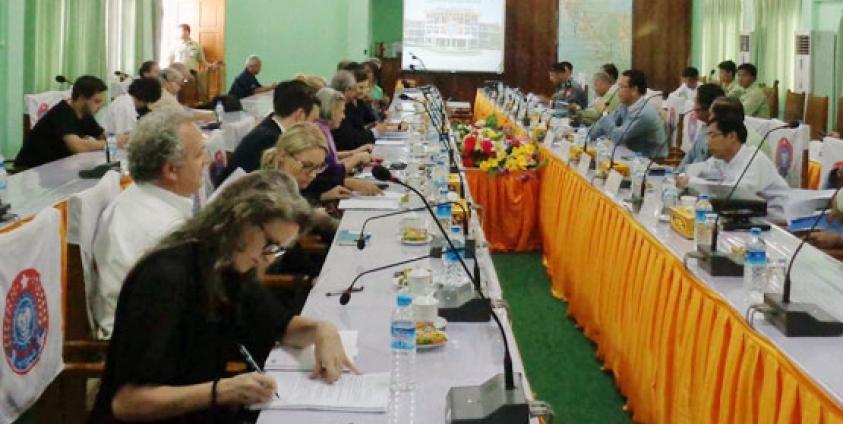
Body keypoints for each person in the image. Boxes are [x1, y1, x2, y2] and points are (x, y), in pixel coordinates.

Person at [89, 170, 357, 423]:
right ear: (241, 220)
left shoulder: (233, 268)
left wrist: (323, 329)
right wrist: (223, 390)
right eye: (270, 246)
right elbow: (126, 403)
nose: (268, 260)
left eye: (278, 251)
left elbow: (281, 326)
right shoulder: (165, 278)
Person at [92, 108, 209, 340]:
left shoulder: (146, 201)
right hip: (150, 350)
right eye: (199, 154)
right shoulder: (162, 229)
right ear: (171, 170)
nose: (206, 161)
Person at [676, 101, 790, 222]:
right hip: (746, 217)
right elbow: (699, 171)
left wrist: (691, 182)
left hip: (778, 223)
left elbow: (735, 193)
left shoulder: (754, 160)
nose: (707, 142)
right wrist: (684, 177)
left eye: (712, 135)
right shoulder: (722, 157)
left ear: (732, 136)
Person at [220, 80, 317, 184]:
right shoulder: (271, 140)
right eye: (313, 121)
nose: (313, 126)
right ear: (300, 115)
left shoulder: (269, 128)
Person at [16, 76, 109, 168]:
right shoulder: (62, 112)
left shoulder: (85, 114)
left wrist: (118, 139)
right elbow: (78, 147)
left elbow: (106, 137)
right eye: (97, 101)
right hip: (30, 170)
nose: (100, 106)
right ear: (81, 98)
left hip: (57, 167)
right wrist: (109, 144)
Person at [313, 87, 382, 195]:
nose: (344, 116)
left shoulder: (325, 128)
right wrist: (357, 158)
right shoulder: (318, 132)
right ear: (329, 111)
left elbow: (332, 158)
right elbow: (333, 172)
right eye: (341, 112)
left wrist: (354, 153)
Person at [591, 69, 667, 157]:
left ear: (634, 90)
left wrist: (604, 113)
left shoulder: (643, 113)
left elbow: (618, 138)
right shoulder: (625, 106)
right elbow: (604, 126)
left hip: (650, 163)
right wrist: (587, 136)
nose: (617, 91)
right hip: (630, 155)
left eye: (622, 87)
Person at [330, 70, 385, 151]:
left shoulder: (350, 104)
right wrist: (374, 132)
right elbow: (348, 141)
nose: (356, 91)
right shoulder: (338, 107)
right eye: (355, 88)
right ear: (347, 90)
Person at [676, 84, 725, 172]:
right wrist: (677, 174)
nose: (694, 107)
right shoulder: (704, 127)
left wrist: (684, 178)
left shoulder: (718, 135)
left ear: (708, 107)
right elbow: (690, 155)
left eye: (696, 102)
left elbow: (705, 172)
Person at [149, 67, 215, 121]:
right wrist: (212, 116)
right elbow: (183, 115)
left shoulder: (162, 93)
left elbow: (182, 110)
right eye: (178, 83)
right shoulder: (164, 96)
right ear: (168, 83)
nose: (180, 87)